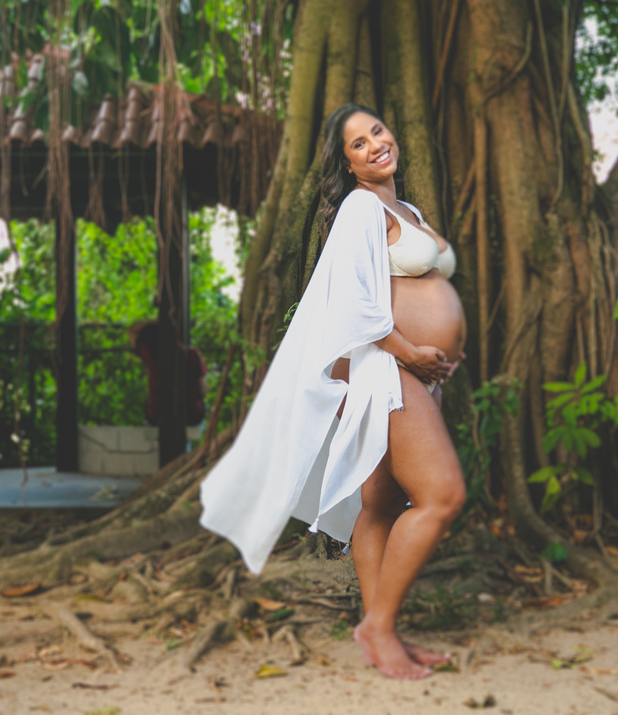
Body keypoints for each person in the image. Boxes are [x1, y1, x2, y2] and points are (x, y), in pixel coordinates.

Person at [200, 103, 467, 680]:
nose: (374, 145)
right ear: (346, 165)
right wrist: (411, 352)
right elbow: (354, 304)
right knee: (442, 495)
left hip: (413, 371)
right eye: (357, 144)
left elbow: (411, 286)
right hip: (386, 373)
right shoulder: (360, 207)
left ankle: (383, 634)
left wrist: (445, 344)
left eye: (376, 131)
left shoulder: (406, 208)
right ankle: (378, 626)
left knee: (380, 505)